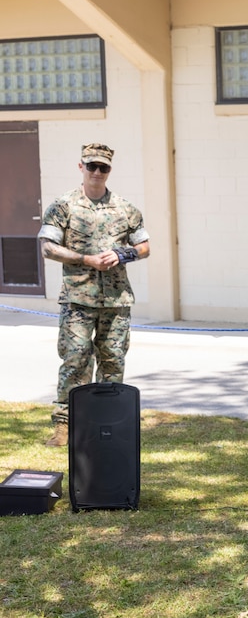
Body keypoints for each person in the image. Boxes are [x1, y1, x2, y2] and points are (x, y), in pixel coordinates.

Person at [37, 143, 150, 447]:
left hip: (116, 301)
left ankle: (108, 423)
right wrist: (86, 259)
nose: (97, 172)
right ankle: (65, 425)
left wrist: (121, 253)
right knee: (75, 361)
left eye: (103, 168)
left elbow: (145, 247)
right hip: (77, 300)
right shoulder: (64, 205)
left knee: (113, 361)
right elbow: (47, 247)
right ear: (81, 167)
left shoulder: (125, 208)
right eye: (92, 166)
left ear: (109, 170)